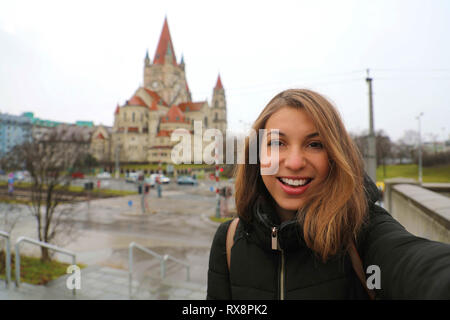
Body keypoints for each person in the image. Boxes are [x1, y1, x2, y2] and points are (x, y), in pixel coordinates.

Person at [207, 89, 450, 300]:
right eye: (277, 143)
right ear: (257, 154)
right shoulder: (228, 241)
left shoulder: (362, 231)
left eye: (315, 144)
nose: (294, 162)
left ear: (335, 156)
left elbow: (416, 264)